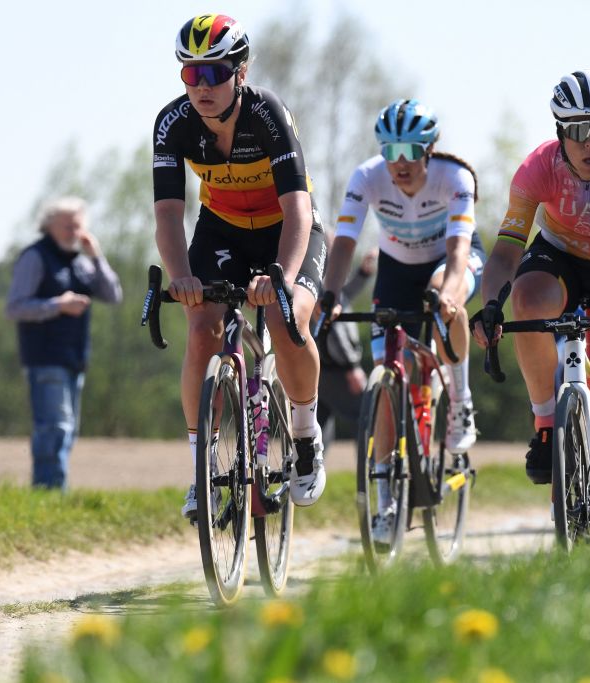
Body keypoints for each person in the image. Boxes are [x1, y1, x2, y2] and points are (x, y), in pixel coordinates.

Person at [152, 14, 328, 519]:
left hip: (286, 229)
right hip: (222, 229)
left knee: (285, 316)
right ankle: (201, 468)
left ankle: (304, 431)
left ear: (241, 72)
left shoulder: (268, 114)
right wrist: (181, 274)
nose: (201, 87)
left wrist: (283, 277)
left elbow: (298, 209)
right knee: (203, 328)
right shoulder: (173, 124)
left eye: (215, 73)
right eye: (191, 74)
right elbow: (168, 213)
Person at [471, 70, 590, 513]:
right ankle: (545, 421)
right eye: (579, 132)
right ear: (561, 131)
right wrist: (489, 306)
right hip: (563, 258)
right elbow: (505, 252)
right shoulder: (538, 167)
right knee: (526, 297)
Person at [323, 99, 486, 541]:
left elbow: (457, 252)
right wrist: (330, 294)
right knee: (386, 375)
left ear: (429, 150)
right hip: (396, 271)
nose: (399, 162)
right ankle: (387, 501)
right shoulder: (367, 177)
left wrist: (450, 297)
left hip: (450, 261)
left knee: (441, 294)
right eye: (390, 150)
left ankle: (461, 401)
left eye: (411, 151)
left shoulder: (455, 178)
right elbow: (343, 243)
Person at [6, 196, 123, 489]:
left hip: (74, 357)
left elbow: (112, 295)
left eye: (78, 225)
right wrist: (58, 304)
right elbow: (15, 307)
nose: (73, 231)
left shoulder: (82, 262)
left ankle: (53, 492)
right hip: (44, 357)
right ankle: (48, 492)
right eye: (67, 225)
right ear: (48, 226)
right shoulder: (35, 257)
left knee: (68, 431)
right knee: (54, 428)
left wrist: (97, 257)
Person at [316, 248, 376, 443]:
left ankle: (310, 471)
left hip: (321, 369)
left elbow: (347, 293)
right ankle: (371, 471)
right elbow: (336, 332)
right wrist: (352, 368)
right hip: (339, 371)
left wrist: (363, 273)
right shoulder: (326, 291)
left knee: (317, 425)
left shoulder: (318, 286)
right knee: (365, 416)